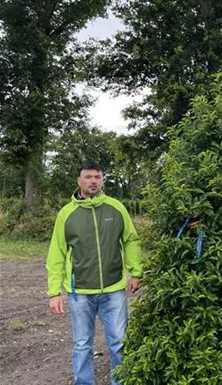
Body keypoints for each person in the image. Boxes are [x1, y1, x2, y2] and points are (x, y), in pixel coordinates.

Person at [46, 161, 143, 385]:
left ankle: (120, 382)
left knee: (119, 341)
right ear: (79, 181)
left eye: (97, 177)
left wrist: (136, 272)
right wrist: (54, 291)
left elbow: (130, 240)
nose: (93, 181)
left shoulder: (116, 208)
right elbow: (57, 253)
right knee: (82, 344)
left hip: (114, 291)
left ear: (102, 180)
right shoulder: (66, 214)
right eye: (88, 177)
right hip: (79, 293)